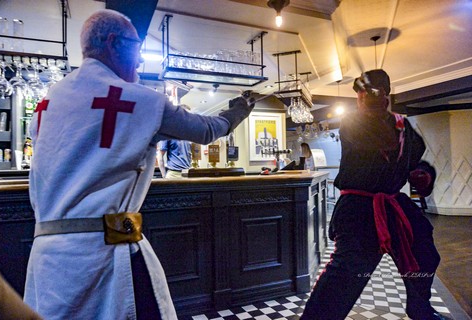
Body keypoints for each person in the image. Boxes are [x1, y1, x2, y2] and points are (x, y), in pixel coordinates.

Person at [24, 9, 254, 320]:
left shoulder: (47, 102)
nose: (139, 61)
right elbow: (207, 130)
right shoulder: (140, 101)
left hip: (48, 258)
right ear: (112, 43)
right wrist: (240, 109)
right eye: (136, 47)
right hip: (103, 255)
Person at [300, 69, 444, 320]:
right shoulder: (352, 122)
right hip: (359, 207)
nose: (362, 99)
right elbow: (371, 139)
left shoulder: (402, 126)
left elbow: (415, 160)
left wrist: (422, 174)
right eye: (362, 94)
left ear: (386, 95)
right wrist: (376, 111)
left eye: (368, 93)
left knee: (424, 251)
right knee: (348, 272)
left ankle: (420, 308)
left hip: (393, 204)